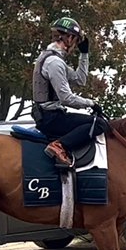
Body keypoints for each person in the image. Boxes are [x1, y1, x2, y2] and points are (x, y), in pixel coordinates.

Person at [32, 16, 106, 166]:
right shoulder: (55, 62)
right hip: (52, 118)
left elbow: (80, 80)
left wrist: (84, 54)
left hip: (49, 115)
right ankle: (59, 145)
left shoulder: (51, 58)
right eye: (76, 40)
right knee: (99, 124)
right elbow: (66, 98)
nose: (75, 45)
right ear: (70, 38)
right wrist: (91, 103)